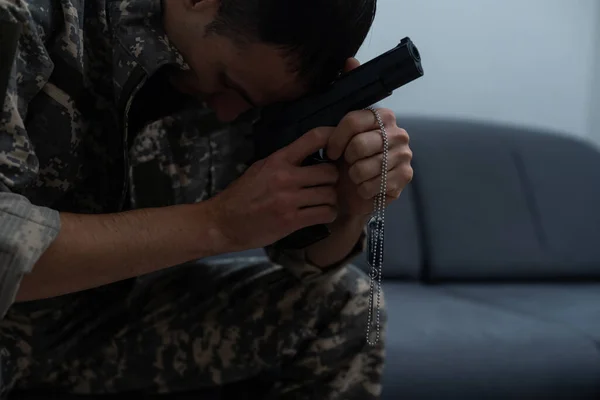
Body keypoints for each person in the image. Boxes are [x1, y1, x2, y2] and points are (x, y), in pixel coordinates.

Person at [0, 0, 413, 398]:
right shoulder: (30, 17)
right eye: (226, 82)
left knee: (346, 307)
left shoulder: (251, 77)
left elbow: (304, 262)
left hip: (102, 324)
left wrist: (348, 205)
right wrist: (217, 225)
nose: (232, 114)